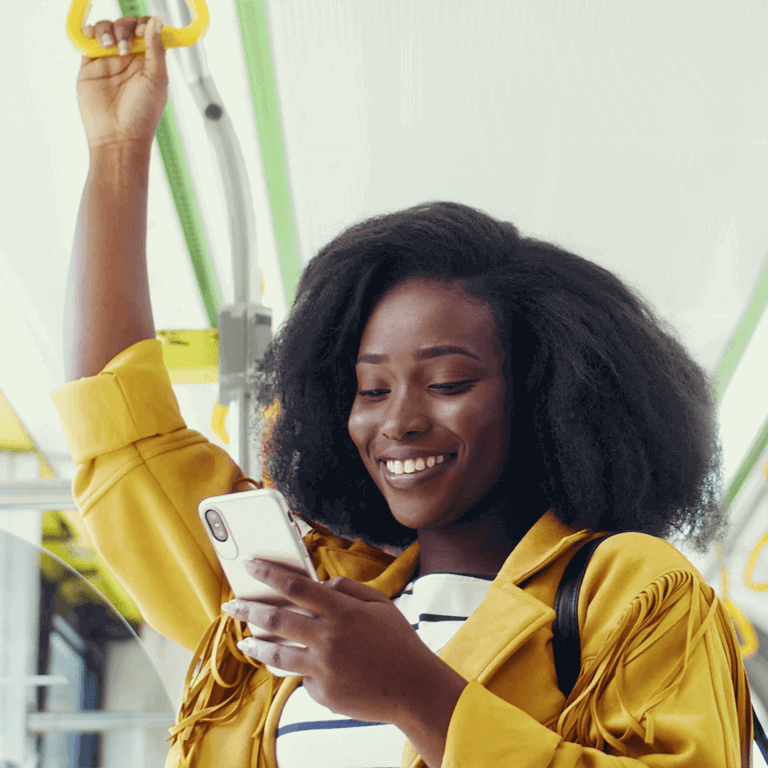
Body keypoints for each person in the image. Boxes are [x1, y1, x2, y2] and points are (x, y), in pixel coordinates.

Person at [52, 14, 754, 768]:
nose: (400, 422)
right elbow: (120, 428)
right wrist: (117, 152)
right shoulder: (306, 595)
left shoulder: (631, 592)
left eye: (448, 381)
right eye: (370, 389)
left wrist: (416, 692)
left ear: (548, 393)